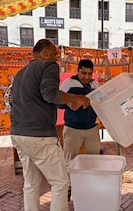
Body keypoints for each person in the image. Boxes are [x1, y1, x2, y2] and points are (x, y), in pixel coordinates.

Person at [10, 39, 90, 211]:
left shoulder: (20, 73)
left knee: (31, 183)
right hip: (40, 135)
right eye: (55, 54)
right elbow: (50, 94)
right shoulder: (48, 66)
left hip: (18, 133)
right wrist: (75, 98)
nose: (57, 59)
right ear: (45, 52)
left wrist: (68, 100)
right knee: (60, 182)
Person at [59, 59, 101, 198]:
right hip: (73, 129)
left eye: (89, 73)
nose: (87, 76)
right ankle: (69, 189)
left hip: (91, 129)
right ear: (78, 71)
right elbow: (58, 103)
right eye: (84, 73)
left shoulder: (95, 85)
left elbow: (100, 103)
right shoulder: (69, 83)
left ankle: (90, 187)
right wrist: (72, 102)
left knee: (93, 160)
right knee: (70, 160)